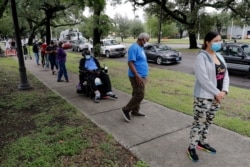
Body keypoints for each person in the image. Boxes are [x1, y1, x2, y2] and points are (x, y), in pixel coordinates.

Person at [186, 31, 230, 162]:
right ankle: (191, 147)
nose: (219, 43)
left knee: (208, 121)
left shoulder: (220, 56)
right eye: (216, 41)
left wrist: (224, 91)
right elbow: (203, 79)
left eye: (220, 40)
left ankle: (202, 142)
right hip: (203, 97)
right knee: (198, 122)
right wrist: (217, 92)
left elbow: (225, 75)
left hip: (218, 97)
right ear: (207, 42)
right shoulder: (202, 57)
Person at [121, 33, 150, 122]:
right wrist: (137, 75)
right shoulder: (134, 47)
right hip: (136, 76)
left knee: (136, 93)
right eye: (146, 41)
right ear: (142, 39)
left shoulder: (140, 47)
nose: (146, 43)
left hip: (142, 75)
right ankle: (126, 109)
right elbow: (130, 63)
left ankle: (135, 111)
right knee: (140, 94)